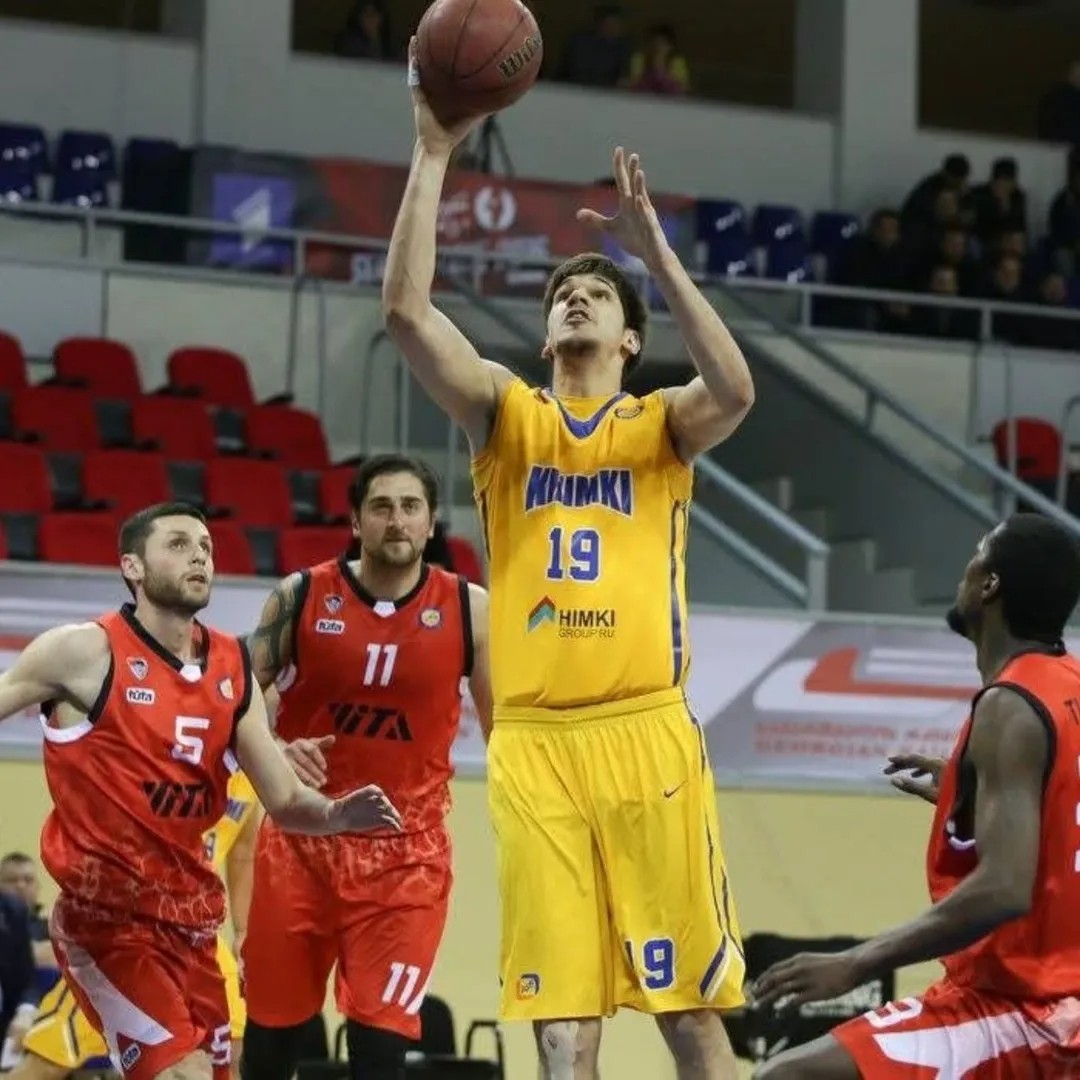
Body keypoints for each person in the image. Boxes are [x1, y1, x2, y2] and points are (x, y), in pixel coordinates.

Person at [382, 46, 756, 1080]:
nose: (579, 300)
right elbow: (406, 315)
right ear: (546, 334)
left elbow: (736, 391)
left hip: (645, 730)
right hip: (535, 743)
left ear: (632, 339)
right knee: (562, 1021)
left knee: (689, 1010)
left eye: (599, 294)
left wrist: (656, 257)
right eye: (565, 295)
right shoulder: (506, 415)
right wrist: (432, 152)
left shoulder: (661, 425)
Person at [0, 502, 402, 1080]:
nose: (199, 557)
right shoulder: (83, 651)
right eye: (179, 544)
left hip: (192, 926)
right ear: (133, 566)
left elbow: (287, 802)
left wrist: (338, 813)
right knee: (171, 1071)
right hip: (109, 922)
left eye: (207, 547)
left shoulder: (233, 667)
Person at [752, 512, 1080, 1078]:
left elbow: (1004, 888)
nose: (965, 567)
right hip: (1048, 989)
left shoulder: (1009, 706)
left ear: (990, 584)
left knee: (785, 1076)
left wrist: (856, 963)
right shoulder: (1067, 684)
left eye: (978, 552)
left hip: (1028, 1007)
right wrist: (968, 793)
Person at [239, 454, 491, 1080]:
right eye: (381, 507)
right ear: (355, 521)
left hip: (406, 855)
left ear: (431, 522)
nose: (396, 520)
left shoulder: (470, 609)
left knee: (380, 1049)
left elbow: (504, 732)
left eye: (410, 507)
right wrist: (273, 745)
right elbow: (232, 697)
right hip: (302, 843)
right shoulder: (300, 595)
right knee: (270, 1042)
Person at [9, 771, 262, 1080]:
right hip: (127, 931)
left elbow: (244, 853)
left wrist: (244, 930)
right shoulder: (170, 753)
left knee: (237, 1051)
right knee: (47, 1063)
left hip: (197, 935)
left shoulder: (251, 770)